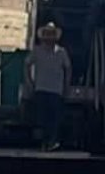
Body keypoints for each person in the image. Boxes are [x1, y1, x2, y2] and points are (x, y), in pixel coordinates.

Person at [25, 22, 72, 152]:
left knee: (54, 118)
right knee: (42, 117)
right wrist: (29, 82)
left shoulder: (61, 52)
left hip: (56, 90)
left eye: (51, 34)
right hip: (41, 88)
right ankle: (43, 142)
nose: (49, 37)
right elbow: (27, 64)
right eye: (47, 34)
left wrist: (66, 86)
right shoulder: (37, 51)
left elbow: (68, 69)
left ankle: (51, 141)